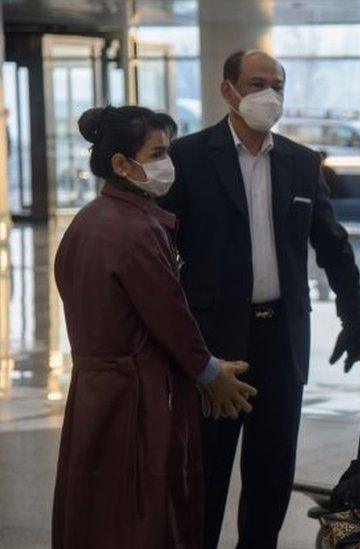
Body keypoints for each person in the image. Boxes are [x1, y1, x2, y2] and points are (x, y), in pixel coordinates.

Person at [160, 50, 360, 548]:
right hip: (215, 341)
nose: (268, 95)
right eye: (256, 83)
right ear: (227, 90)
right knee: (205, 475)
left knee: (272, 475)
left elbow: (333, 243)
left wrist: (353, 314)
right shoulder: (188, 158)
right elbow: (160, 253)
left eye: (277, 84)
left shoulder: (300, 162)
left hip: (282, 338)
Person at [52, 106, 257, 548]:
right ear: (122, 164)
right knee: (141, 516)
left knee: (96, 513)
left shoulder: (87, 222)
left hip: (95, 393)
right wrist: (210, 374)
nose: (168, 164)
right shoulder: (137, 231)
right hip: (138, 400)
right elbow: (169, 317)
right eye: (157, 152)